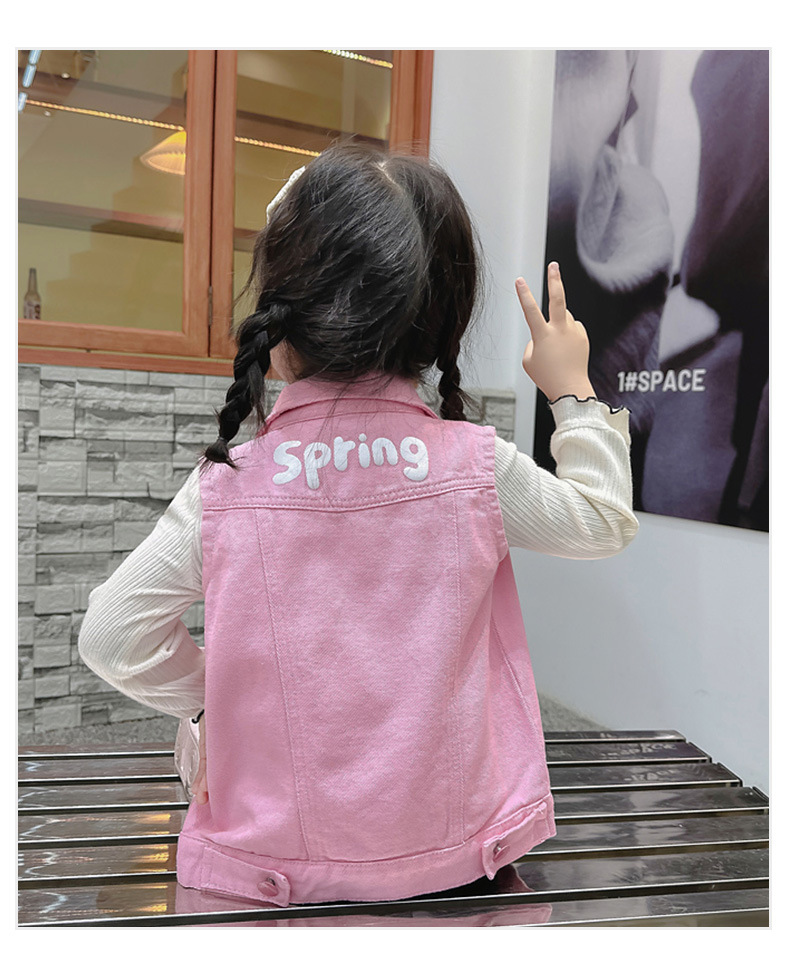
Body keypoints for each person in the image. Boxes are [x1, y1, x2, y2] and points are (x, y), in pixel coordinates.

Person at [78, 140, 638, 908]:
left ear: (282, 320)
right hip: (457, 871)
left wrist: (223, 699)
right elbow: (602, 522)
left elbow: (112, 636)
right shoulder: (474, 465)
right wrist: (571, 390)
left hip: (268, 881)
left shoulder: (229, 485)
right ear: (440, 319)